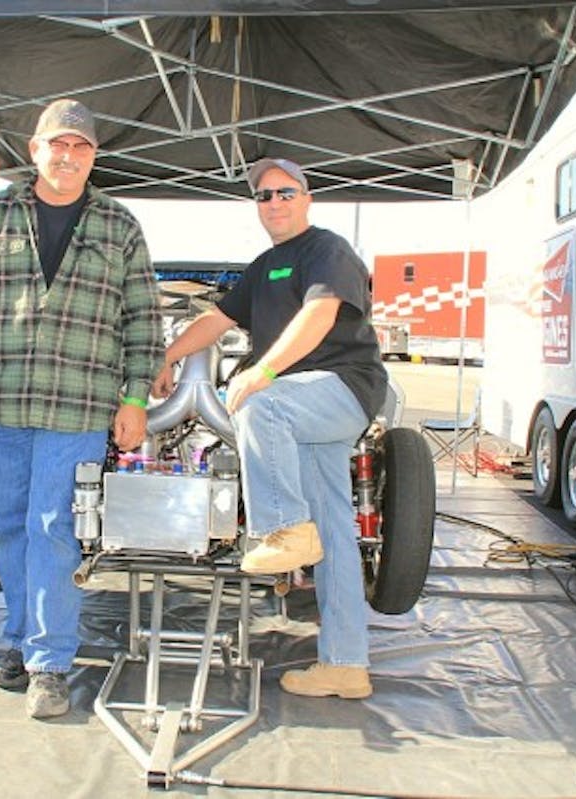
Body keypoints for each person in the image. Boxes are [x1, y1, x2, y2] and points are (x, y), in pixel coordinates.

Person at [0, 98, 164, 719]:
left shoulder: (120, 225)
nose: (68, 157)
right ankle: (21, 639)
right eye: (56, 145)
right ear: (34, 151)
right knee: (7, 528)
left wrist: (136, 397)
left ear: (94, 156)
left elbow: (143, 319)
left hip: (80, 407)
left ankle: (51, 662)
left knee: (52, 530)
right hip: (2, 404)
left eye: (81, 147)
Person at [151, 157, 387, 699]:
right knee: (333, 536)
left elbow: (320, 315)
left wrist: (262, 371)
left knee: (259, 405)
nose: (275, 203)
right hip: (304, 411)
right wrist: (163, 356)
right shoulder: (263, 266)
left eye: (286, 193)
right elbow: (216, 321)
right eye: (264, 196)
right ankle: (346, 665)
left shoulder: (328, 249)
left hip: (339, 387)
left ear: (306, 199)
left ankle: (282, 530)